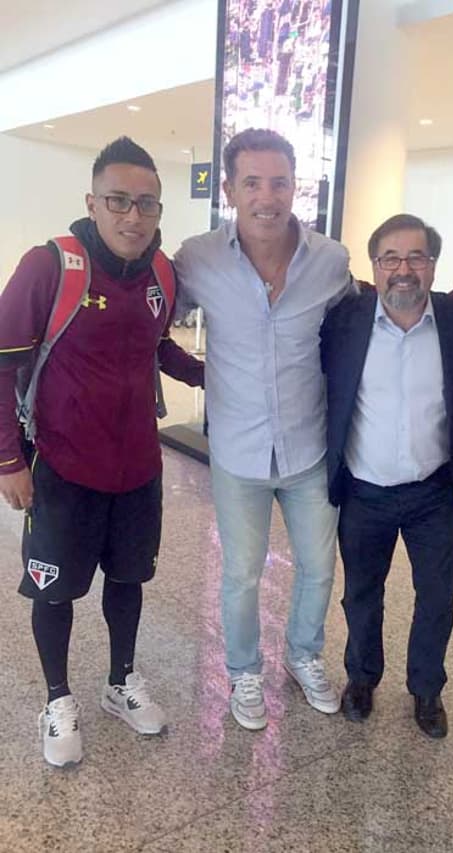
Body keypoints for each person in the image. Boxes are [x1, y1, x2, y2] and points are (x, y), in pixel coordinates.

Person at [0, 137, 205, 768]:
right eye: (118, 201)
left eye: (146, 203)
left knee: (128, 580)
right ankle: (58, 700)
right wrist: (9, 460)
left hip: (139, 469)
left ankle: (121, 683)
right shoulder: (50, 266)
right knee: (54, 591)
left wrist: (205, 373)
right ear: (93, 202)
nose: (133, 216)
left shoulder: (162, 272)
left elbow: (154, 348)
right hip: (62, 469)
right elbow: (2, 366)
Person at [174, 128, 351, 731]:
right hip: (238, 453)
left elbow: (351, 343)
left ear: (295, 186)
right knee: (242, 573)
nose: (267, 196)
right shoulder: (197, 259)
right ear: (229, 189)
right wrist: (195, 376)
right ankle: (245, 672)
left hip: (309, 449)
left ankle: (304, 655)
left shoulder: (331, 261)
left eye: (278, 182)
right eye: (252, 183)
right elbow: (147, 323)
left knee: (319, 566)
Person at [320, 214, 453, 736]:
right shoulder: (346, 321)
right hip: (364, 491)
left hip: (433, 491)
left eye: (416, 257)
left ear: (433, 266)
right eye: (390, 258)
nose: (403, 269)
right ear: (374, 266)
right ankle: (361, 678)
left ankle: (426, 690)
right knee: (361, 594)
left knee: (438, 597)